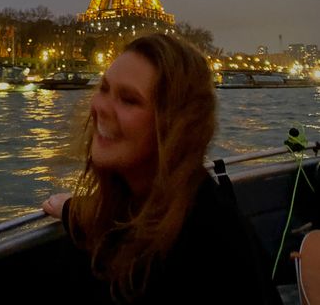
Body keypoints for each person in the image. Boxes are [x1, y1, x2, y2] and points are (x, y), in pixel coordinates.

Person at [42, 33, 282, 304]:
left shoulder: (203, 252)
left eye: (129, 99)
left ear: (175, 126)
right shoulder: (158, 202)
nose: (99, 106)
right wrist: (71, 209)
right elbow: (121, 224)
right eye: (104, 88)